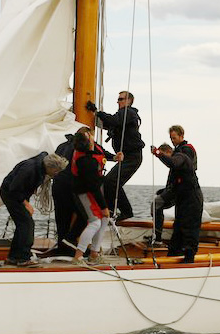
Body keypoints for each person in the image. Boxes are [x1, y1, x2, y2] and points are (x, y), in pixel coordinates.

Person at [51, 127, 119, 256]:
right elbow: (89, 176)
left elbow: (101, 152)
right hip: (74, 188)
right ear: (87, 136)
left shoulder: (63, 146)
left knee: (63, 220)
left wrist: (114, 157)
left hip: (59, 186)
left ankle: (64, 247)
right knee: (88, 218)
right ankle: (75, 249)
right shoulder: (83, 154)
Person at [0, 152, 68, 267]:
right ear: (50, 167)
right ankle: (23, 258)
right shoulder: (29, 169)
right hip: (11, 194)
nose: (56, 174)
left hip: (17, 194)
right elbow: (14, 188)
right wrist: (25, 203)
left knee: (23, 224)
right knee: (27, 224)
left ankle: (13, 257)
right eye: (56, 171)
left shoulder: (41, 167)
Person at [86, 91, 144, 221]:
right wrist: (93, 116)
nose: (118, 101)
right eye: (118, 99)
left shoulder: (128, 113)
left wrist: (97, 111)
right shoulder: (123, 116)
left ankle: (122, 212)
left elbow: (113, 120)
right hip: (127, 157)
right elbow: (109, 123)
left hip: (132, 157)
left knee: (111, 182)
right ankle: (112, 211)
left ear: (129, 101)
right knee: (110, 183)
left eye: (121, 99)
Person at [151, 125, 203, 263]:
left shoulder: (185, 152)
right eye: (171, 138)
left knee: (189, 226)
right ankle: (173, 253)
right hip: (181, 194)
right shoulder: (178, 152)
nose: (172, 141)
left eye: (174, 138)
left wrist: (158, 153)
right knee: (179, 226)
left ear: (181, 136)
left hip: (191, 196)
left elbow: (174, 163)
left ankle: (189, 257)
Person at [70, 132, 110, 265]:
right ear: (88, 143)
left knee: (104, 219)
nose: (92, 136)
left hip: (92, 191)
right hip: (85, 193)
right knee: (95, 222)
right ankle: (78, 256)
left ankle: (94, 253)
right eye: (89, 135)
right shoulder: (87, 161)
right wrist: (103, 207)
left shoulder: (88, 155)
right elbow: (93, 186)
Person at [150, 143, 175, 245]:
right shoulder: (174, 164)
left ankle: (158, 238)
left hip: (178, 192)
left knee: (156, 204)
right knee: (156, 205)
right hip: (173, 190)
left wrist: (158, 153)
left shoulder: (175, 161)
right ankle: (156, 235)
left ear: (169, 152)